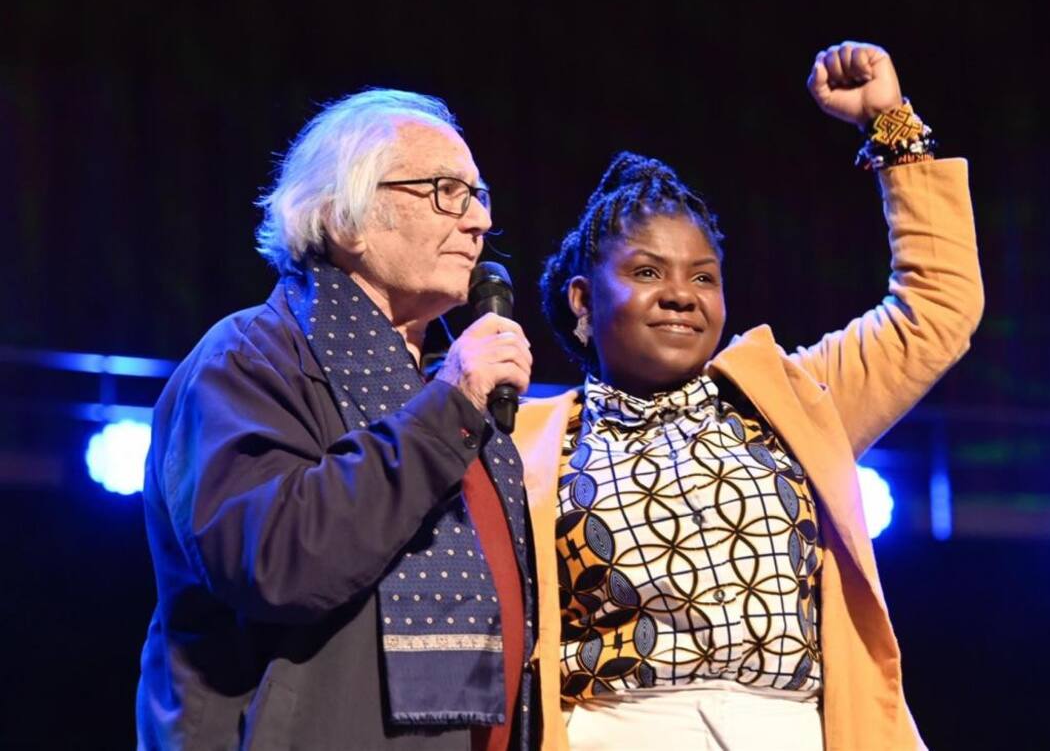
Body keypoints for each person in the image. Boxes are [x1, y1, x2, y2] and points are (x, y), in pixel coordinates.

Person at [514, 42, 984, 750]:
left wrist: (890, 125)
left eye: (703, 277)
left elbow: (939, 307)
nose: (680, 295)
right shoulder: (524, 443)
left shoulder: (792, 402)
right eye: (647, 271)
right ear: (583, 299)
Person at [137, 89, 541, 750]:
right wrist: (450, 405)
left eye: (478, 195)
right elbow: (275, 559)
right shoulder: (248, 358)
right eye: (446, 191)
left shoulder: (445, 384)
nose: (477, 222)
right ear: (345, 218)